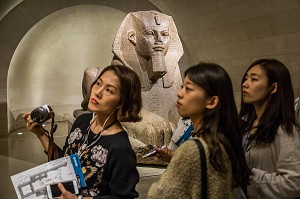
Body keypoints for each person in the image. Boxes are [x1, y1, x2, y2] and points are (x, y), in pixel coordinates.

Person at [23, 65, 142, 199]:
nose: (98, 92)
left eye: (109, 90)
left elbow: (123, 197)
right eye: (98, 83)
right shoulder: (82, 121)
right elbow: (65, 164)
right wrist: (40, 133)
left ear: (123, 101)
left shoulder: (120, 147)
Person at [148, 63, 250, 198]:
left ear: (211, 102)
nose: (179, 94)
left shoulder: (194, 148)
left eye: (188, 89)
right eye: (182, 87)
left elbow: (159, 196)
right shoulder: (222, 139)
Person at [239, 58, 300, 198]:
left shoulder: (284, 130)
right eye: (246, 78)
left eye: (254, 79)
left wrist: (248, 174)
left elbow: (293, 183)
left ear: (273, 88)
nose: (245, 84)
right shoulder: (246, 123)